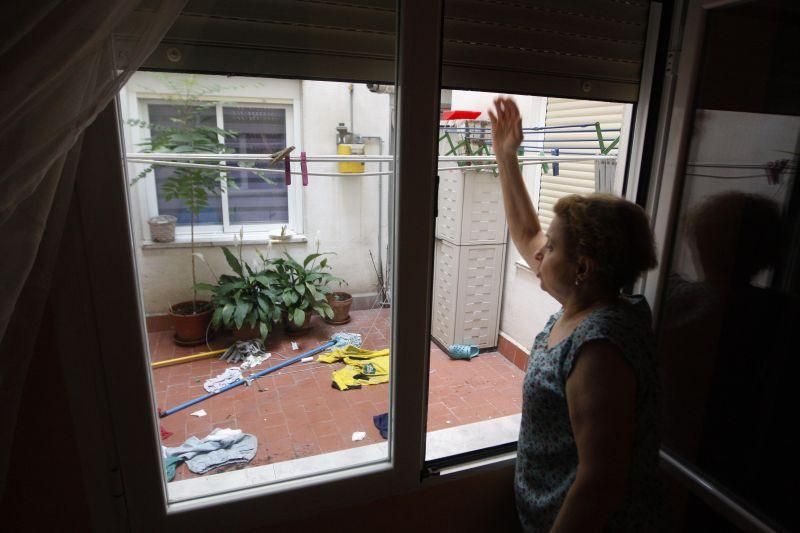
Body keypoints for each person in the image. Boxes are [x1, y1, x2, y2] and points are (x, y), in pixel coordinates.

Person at [489, 97, 662, 532]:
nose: (538, 251)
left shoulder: (599, 349)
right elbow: (527, 232)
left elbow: (600, 481)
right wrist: (506, 156)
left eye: (552, 246)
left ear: (583, 269)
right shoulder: (589, 304)